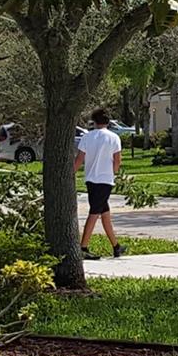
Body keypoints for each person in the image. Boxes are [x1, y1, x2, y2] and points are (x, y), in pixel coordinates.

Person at [74, 108, 125, 259]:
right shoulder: (114, 137)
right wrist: (113, 173)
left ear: (94, 122)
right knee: (94, 213)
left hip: (91, 179)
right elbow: (117, 160)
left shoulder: (87, 137)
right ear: (108, 121)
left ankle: (116, 246)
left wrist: (72, 173)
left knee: (105, 214)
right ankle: (83, 247)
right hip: (105, 180)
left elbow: (79, 159)